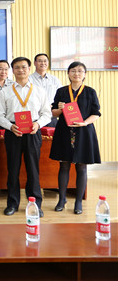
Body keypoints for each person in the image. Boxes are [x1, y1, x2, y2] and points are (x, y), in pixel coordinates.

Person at [0, 57, 51, 217]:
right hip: (13, 131)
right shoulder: (5, 91)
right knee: (13, 169)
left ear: (29, 69)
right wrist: (9, 126)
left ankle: (35, 205)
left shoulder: (39, 90)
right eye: (17, 67)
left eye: (24, 67)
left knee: (33, 169)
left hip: (33, 131)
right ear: (13, 71)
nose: (21, 70)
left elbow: (46, 113)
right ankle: (12, 204)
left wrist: (38, 124)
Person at [50, 61, 101, 215]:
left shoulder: (90, 92)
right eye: (73, 70)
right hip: (64, 133)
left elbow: (96, 113)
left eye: (80, 71)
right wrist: (59, 109)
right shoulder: (61, 91)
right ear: (68, 73)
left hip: (84, 132)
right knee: (63, 166)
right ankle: (62, 199)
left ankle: (78, 201)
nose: (76, 73)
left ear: (84, 74)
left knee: (81, 167)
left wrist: (84, 122)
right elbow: (53, 112)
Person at [29, 53, 61, 127]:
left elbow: (60, 96)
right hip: (34, 117)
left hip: (51, 116)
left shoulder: (54, 80)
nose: (43, 63)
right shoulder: (29, 80)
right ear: (35, 63)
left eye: (45, 61)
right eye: (40, 61)